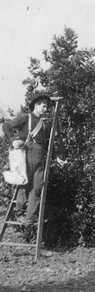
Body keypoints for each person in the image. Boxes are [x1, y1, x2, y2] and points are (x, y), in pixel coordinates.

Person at [2, 95, 52, 225]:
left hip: (40, 155)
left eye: (47, 106)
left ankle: (30, 216)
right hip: (27, 153)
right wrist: (13, 141)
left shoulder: (44, 124)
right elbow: (6, 126)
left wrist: (56, 157)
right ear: (36, 104)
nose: (45, 108)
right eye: (43, 105)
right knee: (24, 183)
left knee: (37, 186)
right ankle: (19, 213)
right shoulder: (25, 117)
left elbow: (47, 142)